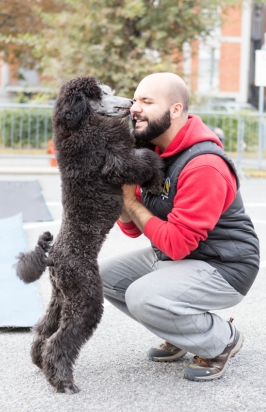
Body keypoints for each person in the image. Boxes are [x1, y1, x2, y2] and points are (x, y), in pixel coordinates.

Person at [99, 72, 260, 381]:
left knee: (143, 297)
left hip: (225, 265)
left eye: (147, 101)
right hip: (179, 259)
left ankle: (221, 340)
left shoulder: (204, 165)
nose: (135, 108)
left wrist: (132, 204)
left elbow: (176, 244)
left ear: (175, 110)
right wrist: (123, 198)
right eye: (136, 100)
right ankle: (182, 332)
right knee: (102, 278)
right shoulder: (151, 153)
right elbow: (133, 230)